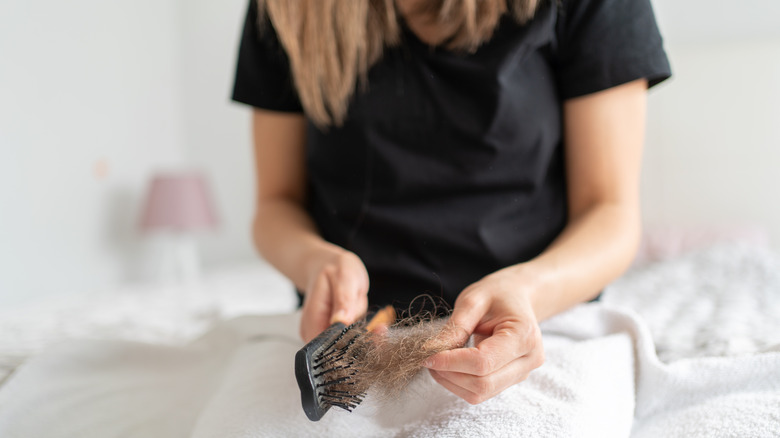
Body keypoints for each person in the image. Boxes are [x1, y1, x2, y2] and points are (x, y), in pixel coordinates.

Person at [232, 0, 670, 405]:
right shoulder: (288, 9)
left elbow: (609, 213)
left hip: (537, 329)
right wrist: (313, 262)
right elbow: (277, 203)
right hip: (345, 346)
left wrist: (528, 291)